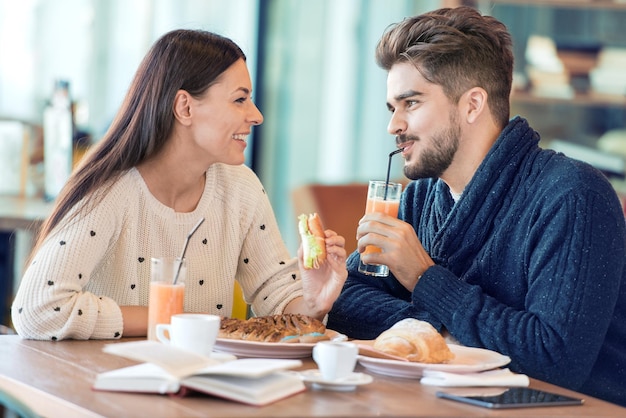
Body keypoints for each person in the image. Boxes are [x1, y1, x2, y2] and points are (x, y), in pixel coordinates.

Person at [327, 6, 626, 407]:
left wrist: (424, 279)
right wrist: (435, 332)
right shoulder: (419, 198)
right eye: (391, 108)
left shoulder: (573, 195)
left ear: (472, 105)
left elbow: (554, 361)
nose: (393, 126)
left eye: (410, 103)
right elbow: (346, 300)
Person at [12, 29, 347, 341]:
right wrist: (170, 318)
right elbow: (38, 309)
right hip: (108, 388)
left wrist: (313, 302)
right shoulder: (110, 191)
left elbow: (278, 301)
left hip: (200, 388)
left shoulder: (241, 188)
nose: (256, 115)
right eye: (240, 99)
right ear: (185, 107)